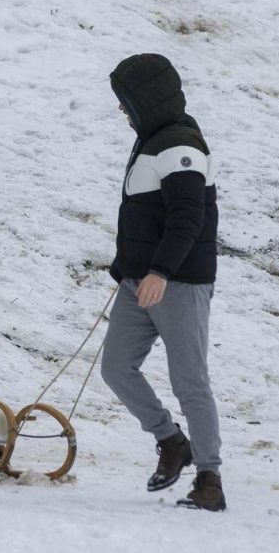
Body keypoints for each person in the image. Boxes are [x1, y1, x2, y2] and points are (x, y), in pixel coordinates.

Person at [100, 53, 225, 512]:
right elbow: (142, 218)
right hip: (139, 284)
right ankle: (172, 441)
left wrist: (160, 272)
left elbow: (187, 217)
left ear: (145, 99)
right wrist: (128, 270)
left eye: (125, 101)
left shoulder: (179, 145)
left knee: (190, 380)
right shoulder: (153, 141)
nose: (121, 110)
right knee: (116, 368)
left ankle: (209, 479)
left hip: (178, 284)